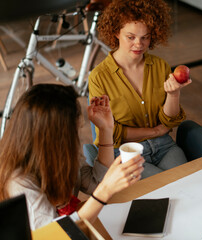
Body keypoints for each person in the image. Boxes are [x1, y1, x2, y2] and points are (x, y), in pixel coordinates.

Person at [0, 84, 144, 230]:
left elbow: (96, 184)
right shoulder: (19, 183)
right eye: (75, 131)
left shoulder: (60, 154)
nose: (77, 139)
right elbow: (56, 235)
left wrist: (106, 129)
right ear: (55, 137)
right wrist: (105, 190)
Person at [89, 0, 191, 178]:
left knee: (185, 182)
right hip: (126, 152)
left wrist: (173, 94)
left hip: (164, 146)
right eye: (131, 37)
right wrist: (154, 131)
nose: (139, 44)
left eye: (146, 37)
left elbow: (169, 121)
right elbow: (109, 132)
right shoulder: (99, 77)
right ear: (116, 32)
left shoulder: (160, 66)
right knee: (162, 188)